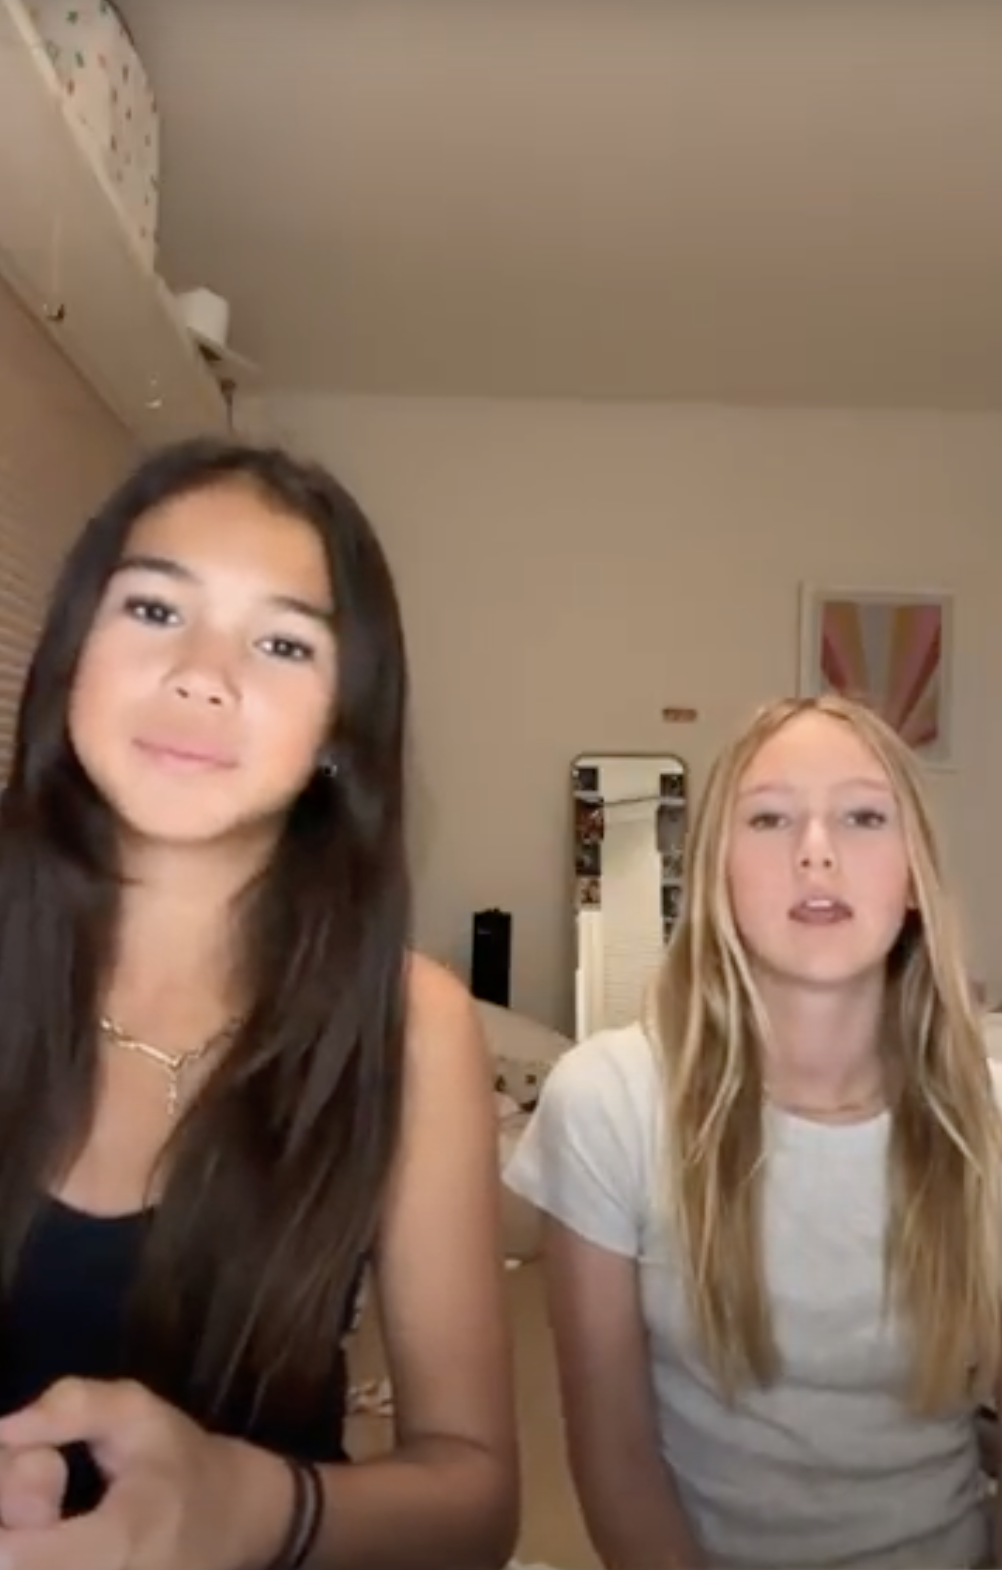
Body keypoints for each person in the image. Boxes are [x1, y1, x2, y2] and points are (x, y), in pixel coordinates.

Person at [0, 438, 518, 1570]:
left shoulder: (411, 1028)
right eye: (152, 609)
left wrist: (250, 1508)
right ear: (72, 650)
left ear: (341, 731)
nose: (203, 674)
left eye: (283, 642)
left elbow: (475, 1498)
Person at [506, 694, 1002, 1570]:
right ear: (715, 876)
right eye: (770, 818)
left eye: (862, 816)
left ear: (916, 874)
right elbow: (614, 1459)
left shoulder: (987, 1112)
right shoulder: (608, 1103)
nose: (817, 850)